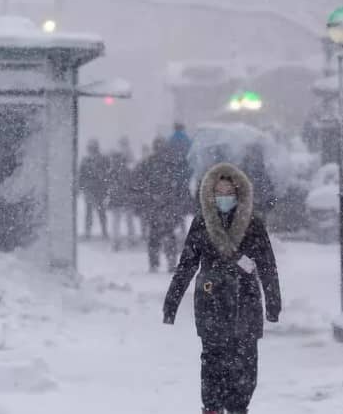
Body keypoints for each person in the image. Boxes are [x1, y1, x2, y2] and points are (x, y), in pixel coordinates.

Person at [163, 162, 282, 414]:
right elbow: (186, 264)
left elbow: (268, 266)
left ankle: (239, 407)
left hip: (245, 302)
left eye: (229, 193)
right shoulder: (201, 223)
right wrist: (171, 303)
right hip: (211, 302)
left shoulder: (253, 224)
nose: (224, 198)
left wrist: (273, 304)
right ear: (210, 194)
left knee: (245, 364)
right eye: (219, 193)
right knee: (213, 362)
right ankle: (213, 408)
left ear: (239, 194)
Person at [135, 137, 188, 271]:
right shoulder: (171, 162)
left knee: (155, 235)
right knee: (168, 234)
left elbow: (139, 182)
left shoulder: (149, 163)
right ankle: (170, 262)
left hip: (155, 204)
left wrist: (148, 196)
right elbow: (179, 184)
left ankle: (155, 264)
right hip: (167, 205)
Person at [107, 136, 138, 251]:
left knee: (116, 221)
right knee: (128, 219)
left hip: (116, 198)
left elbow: (109, 184)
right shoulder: (126, 170)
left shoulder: (112, 171)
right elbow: (131, 184)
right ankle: (131, 238)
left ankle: (115, 242)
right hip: (126, 197)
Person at [78, 139, 110, 240]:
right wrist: (80, 187)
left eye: (93, 148)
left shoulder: (103, 159)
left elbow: (107, 172)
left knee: (101, 212)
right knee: (90, 212)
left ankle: (104, 232)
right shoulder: (85, 160)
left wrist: (105, 184)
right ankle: (88, 232)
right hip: (89, 189)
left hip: (99, 188)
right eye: (90, 148)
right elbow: (81, 175)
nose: (91, 150)